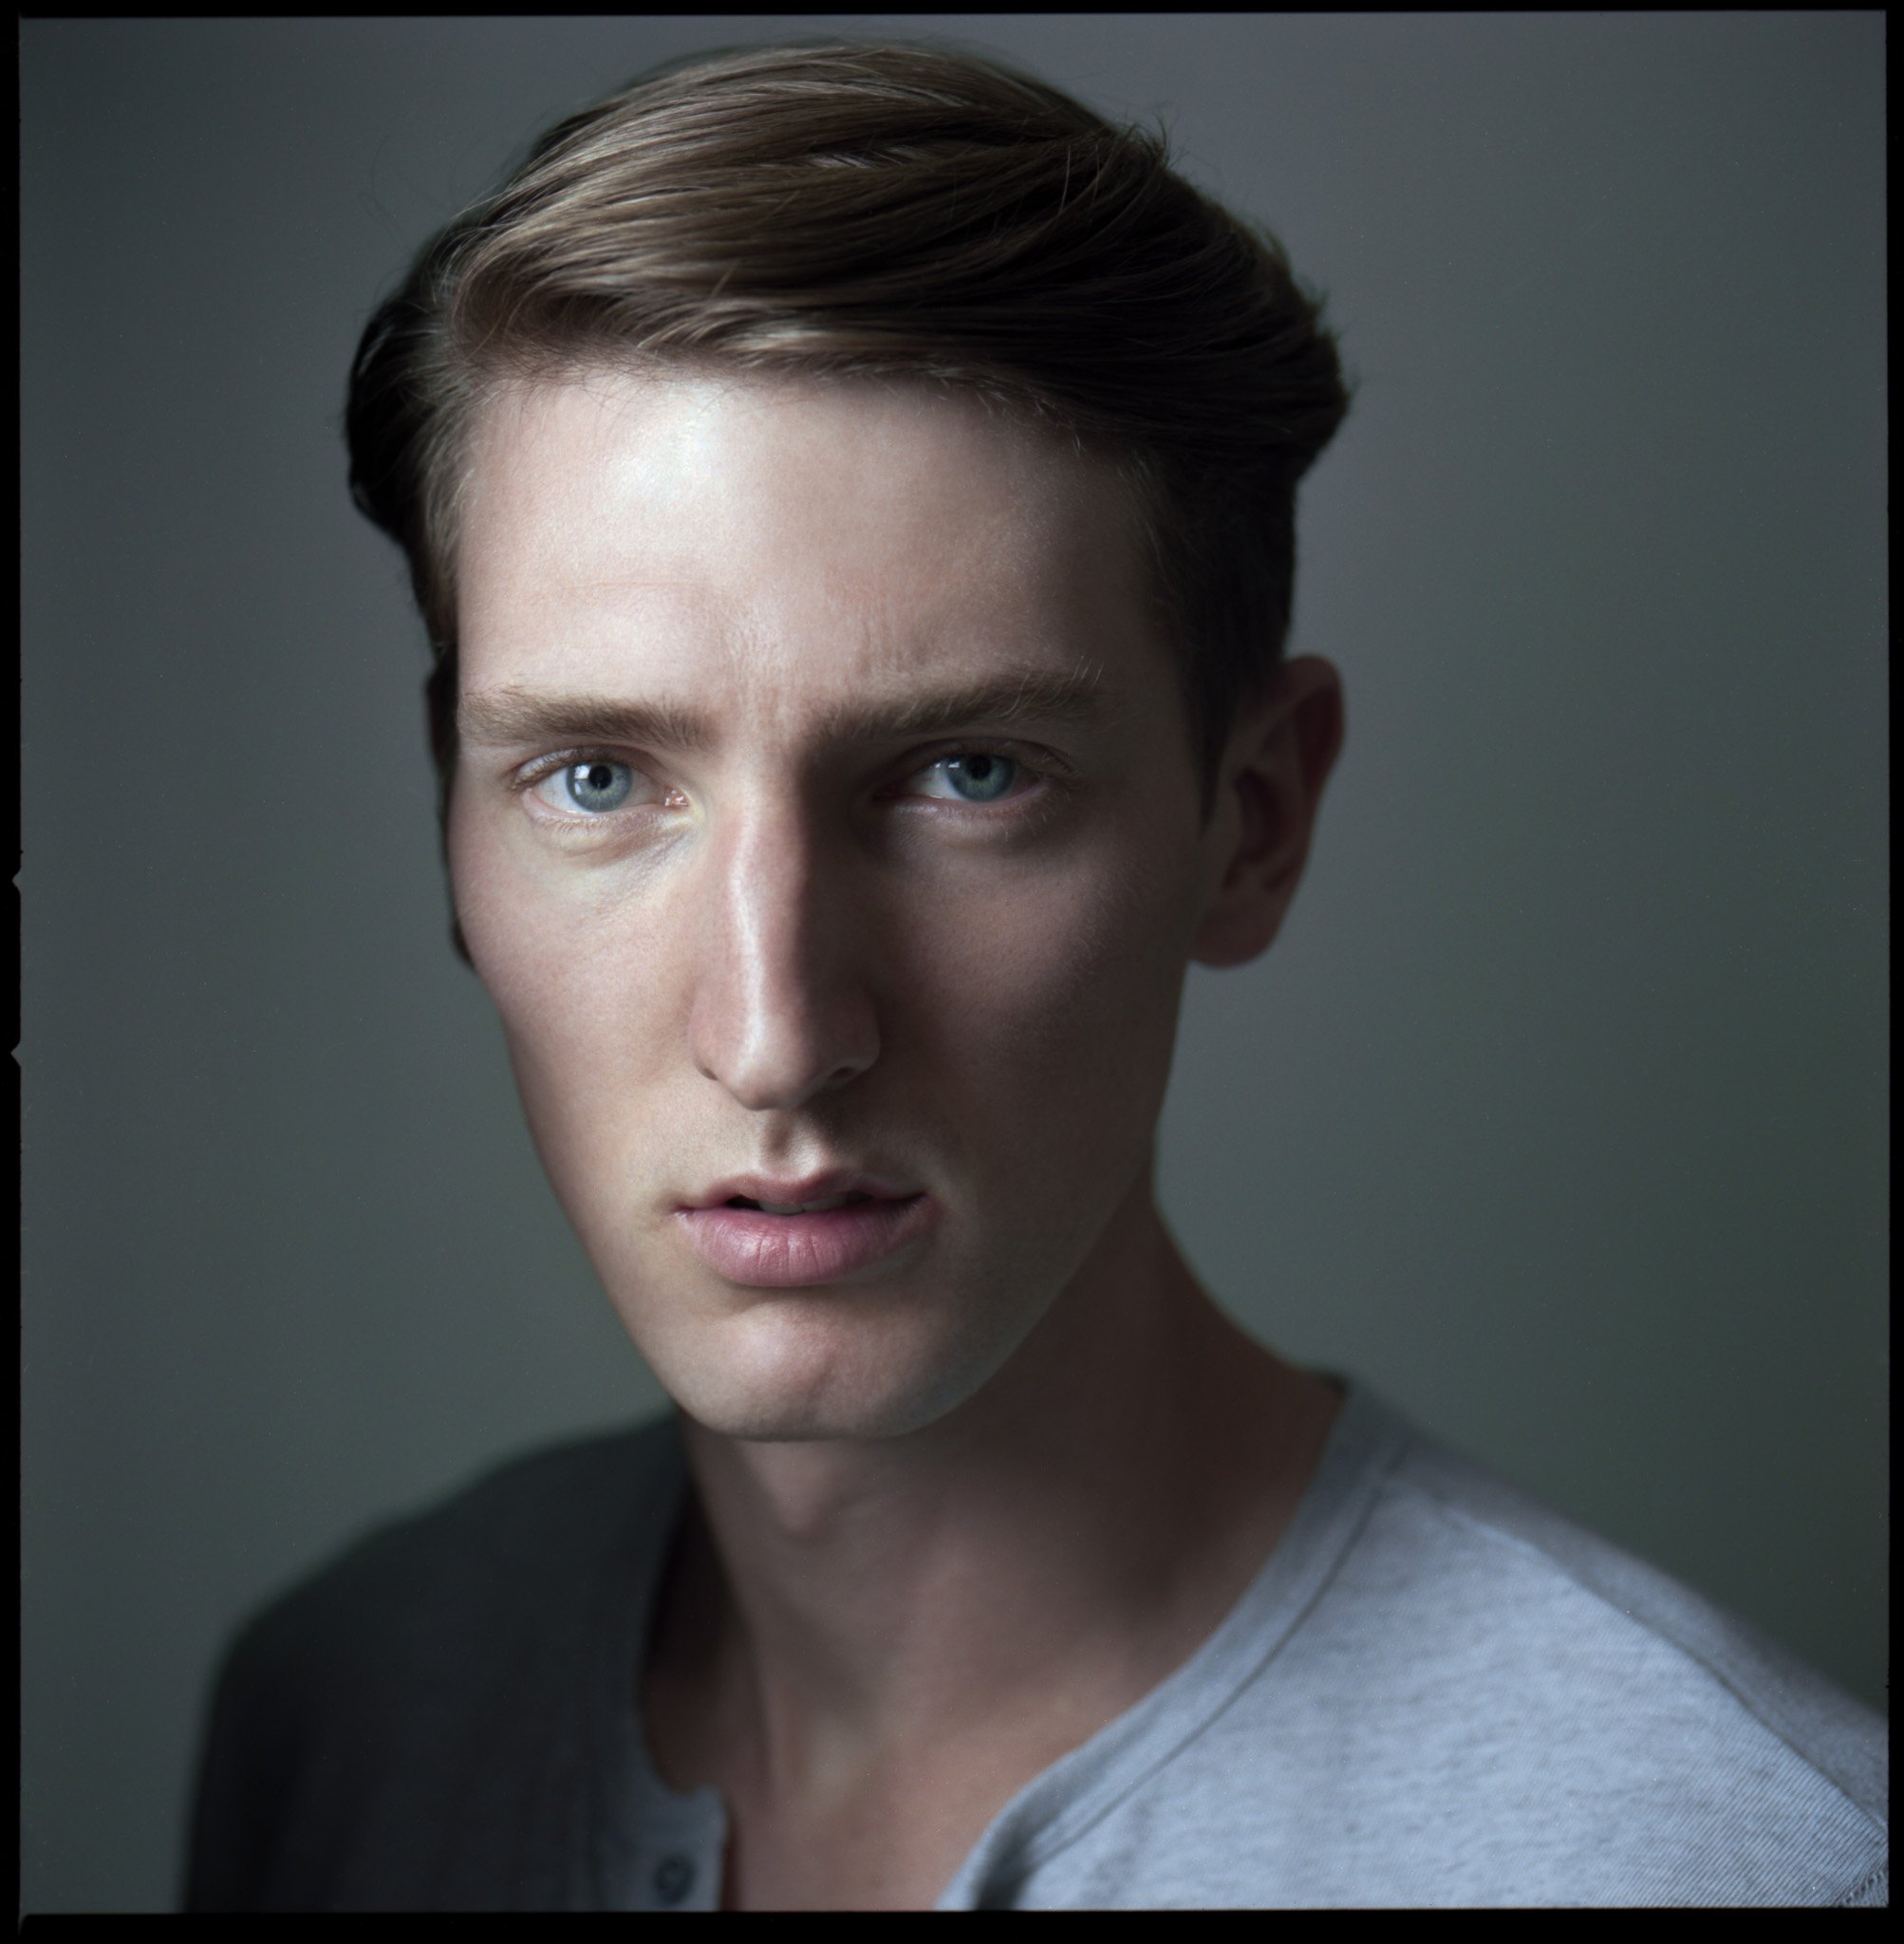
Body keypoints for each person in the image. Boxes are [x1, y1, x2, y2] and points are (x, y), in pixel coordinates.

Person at [181, 41, 1886, 1911]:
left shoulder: (1731, 1857)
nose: (777, 1032)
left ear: (1251, 820)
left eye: (970, 774)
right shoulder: (345, 1718)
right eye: (597, 780)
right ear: (449, 813)